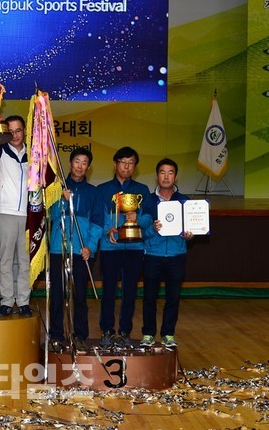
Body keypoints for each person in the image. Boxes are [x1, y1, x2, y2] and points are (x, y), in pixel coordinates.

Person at [95, 146, 153, 348]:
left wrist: (138, 218)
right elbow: (98, 217)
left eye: (131, 163)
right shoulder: (102, 190)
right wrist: (107, 230)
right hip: (110, 248)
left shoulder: (142, 190)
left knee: (130, 292)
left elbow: (149, 218)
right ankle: (107, 331)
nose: (126, 167)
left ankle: (125, 331)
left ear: (135, 167)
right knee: (109, 291)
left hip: (135, 247)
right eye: (123, 162)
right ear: (115, 164)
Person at [48, 148, 102, 352]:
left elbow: (97, 223)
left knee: (80, 296)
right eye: (76, 161)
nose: (80, 166)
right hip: (58, 249)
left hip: (81, 251)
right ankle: (56, 335)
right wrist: (61, 199)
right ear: (70, 163)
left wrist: (90, 247)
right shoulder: (56, 188)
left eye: (84, 162)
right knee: (57, 295)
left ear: (89, 167)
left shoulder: (93, 192)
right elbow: (50, 216)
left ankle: (80, 335)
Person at [0, 111, 31, 317]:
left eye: (18, 130)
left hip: (30, 215)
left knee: (25, 260)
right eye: (10, 131)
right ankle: (7, 301)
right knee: (5, 260)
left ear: (24, 131)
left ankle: (24, 301)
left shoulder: (34, 155)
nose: (15, 135)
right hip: (5, 212)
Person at [140, 158, 193, 349]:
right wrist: (152, 228)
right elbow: (141, 231)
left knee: (173, 297)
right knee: (149, 297)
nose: (166, 176)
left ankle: (168, 333)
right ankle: (148, 333)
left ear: (175, 177)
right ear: (157, 176)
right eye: (162, 172)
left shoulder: (185, 201)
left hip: (176, 255)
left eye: (170, 173)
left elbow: (191, 230)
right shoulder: (148, 200)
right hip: (152, 254)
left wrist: (189, 235)